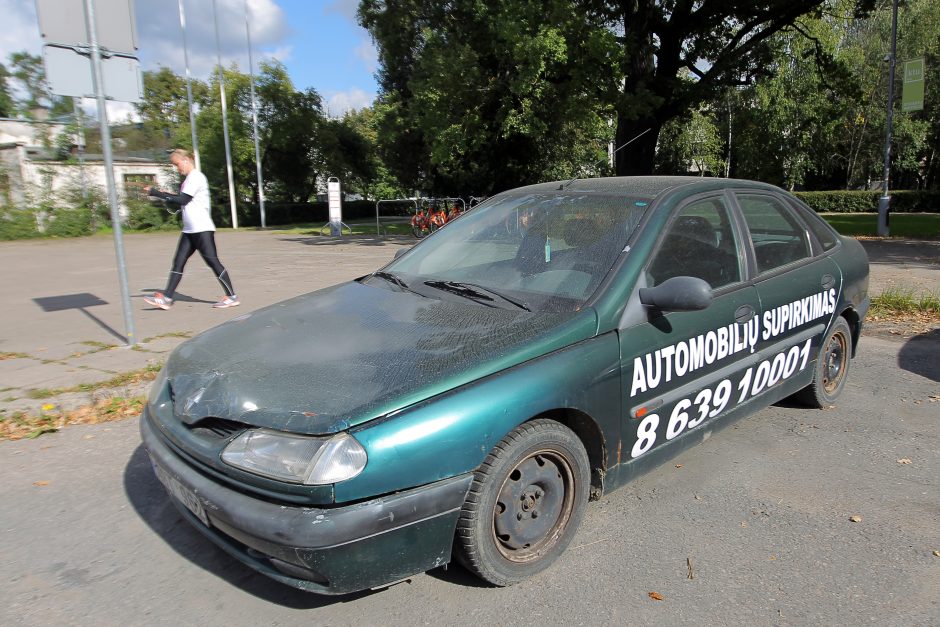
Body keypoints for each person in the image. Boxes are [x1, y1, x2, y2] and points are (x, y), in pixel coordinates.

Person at [143, 149, 239, 310]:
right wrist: (164, 195)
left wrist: (157, 193)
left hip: (202, 229)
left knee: (213, 262)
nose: (177, 168)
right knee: (178, 262)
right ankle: (167, 298)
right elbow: (181, 199)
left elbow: (183, 199)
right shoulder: (189, 180)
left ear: (186, 160)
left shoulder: (197, 177)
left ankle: (231, 297)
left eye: (177, 164)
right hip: (189, 230)